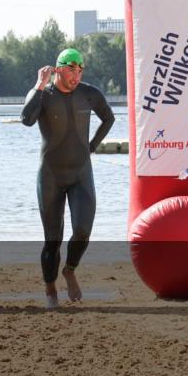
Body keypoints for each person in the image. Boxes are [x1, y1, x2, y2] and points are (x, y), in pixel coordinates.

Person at [20, 48, 115, 310]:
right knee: (53, 239)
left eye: (80, 69)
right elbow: (26, 119)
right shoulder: (43, 94)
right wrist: (39, 85)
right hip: (51, 176)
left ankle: (70, 269)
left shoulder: (89, 93)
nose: (77, 74)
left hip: (80, 174)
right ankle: (50, 289)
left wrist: (92, 146)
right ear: (58, 69)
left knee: (83, 230)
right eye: (72, 69)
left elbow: (109, 118)